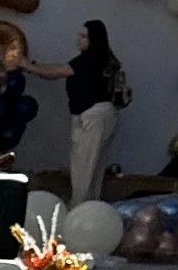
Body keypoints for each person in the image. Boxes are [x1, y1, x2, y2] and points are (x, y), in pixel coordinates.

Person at [39, 20, 130, 204]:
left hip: (94, 116)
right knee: (90, 168)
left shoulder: (92, 58)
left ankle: (79, 209)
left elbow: (59, 71)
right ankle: (87, 206)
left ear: (93, 39)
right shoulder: (103, 58)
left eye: (83, 36)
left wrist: (28, 66)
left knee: (84, 168)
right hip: (97, 115)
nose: (78, 40)